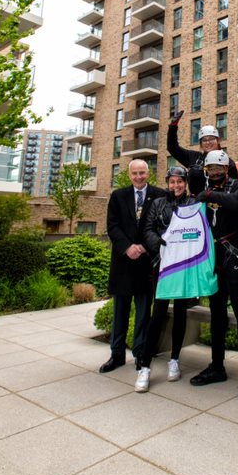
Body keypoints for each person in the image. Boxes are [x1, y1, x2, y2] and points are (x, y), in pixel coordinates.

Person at [189, 150, 238, 399]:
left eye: (220, 167)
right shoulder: (202, 185)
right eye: (211, 168)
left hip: (235, 256)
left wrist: (207, 195)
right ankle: (217, 366)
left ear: (227, 168)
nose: (216, 171)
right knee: (217, 314)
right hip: (212, 258)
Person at [99, 159, 166, 373]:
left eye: (142, 173)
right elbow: (112, 226)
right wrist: (127, 247)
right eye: (135, 173)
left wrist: (146, 246)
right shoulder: (118, 196)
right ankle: (116, 354)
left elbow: (162, 226)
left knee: (144, 312)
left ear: (149, 173)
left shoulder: (160, 195)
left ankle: (140, 354)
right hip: (123, 262)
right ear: (129, 175)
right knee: (120, 311)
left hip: (147, 263)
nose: (139, 177)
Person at [134, 166, 195, 392]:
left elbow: (198, 231)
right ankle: (145, 366)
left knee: (180, 312)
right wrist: (158, 244)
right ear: (167, 183)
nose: (176, 186)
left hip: (184, 265)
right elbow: (147, 229)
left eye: (180, 182)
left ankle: (175, 360)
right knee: (158, 314)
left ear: (185, 183)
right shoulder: (158, 203)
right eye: (172, 182)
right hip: (162, 264)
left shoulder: (193, 204)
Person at [167, 110, 238, 195]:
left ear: (218, 140)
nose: (208, 142)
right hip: (196, 203)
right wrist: (172, 128)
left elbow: (234, 186)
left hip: (219, 203)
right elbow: (173, 148)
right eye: (204, 140)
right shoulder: (194, 157)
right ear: (200, 144)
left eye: (211, 139)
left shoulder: (228, 163)